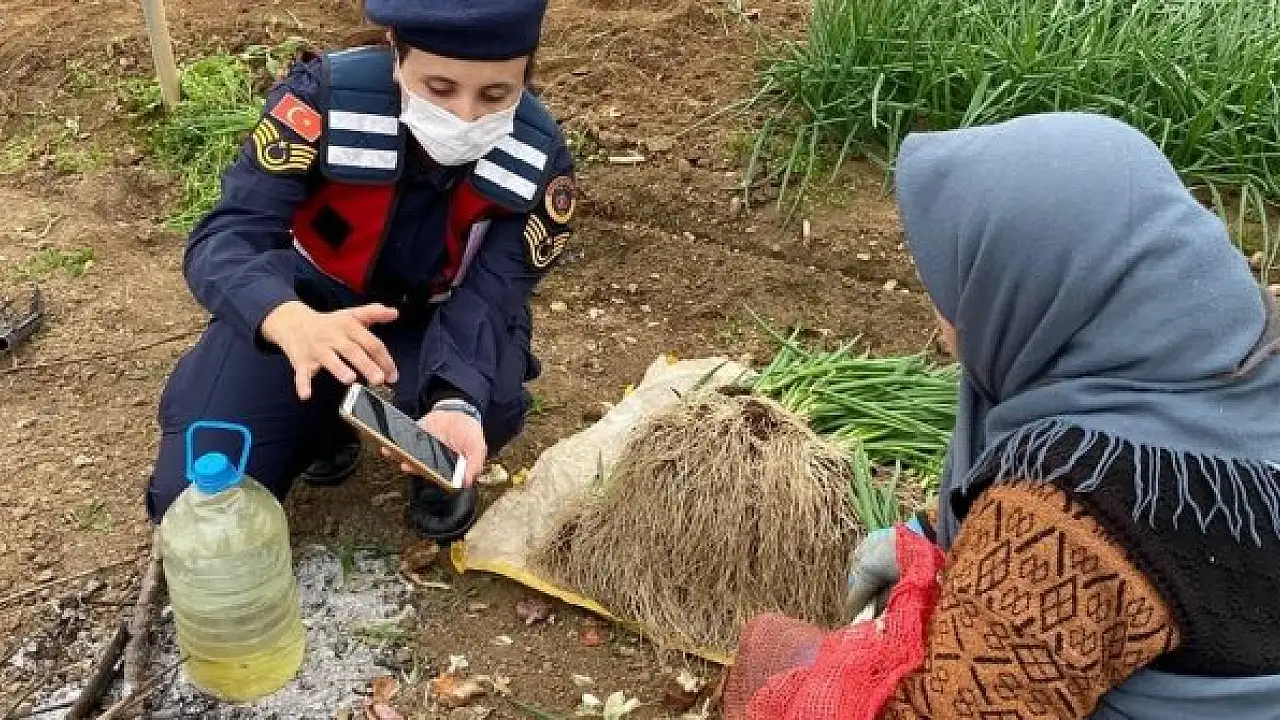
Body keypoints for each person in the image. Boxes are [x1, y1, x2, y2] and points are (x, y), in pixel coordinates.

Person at [728, 112, 1280, 719]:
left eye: (957, 285)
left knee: (773, 659)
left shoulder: (1058, 525)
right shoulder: (1248, 356)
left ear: (1032, 290)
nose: (940, 309)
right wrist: (934, 531)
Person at [146, 0, 576, 544]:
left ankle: (435, 456)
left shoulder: (538, 157)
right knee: (191, 496)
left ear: (524, 79)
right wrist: (286, 319)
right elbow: (228, 235)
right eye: (440, 88)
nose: (465, 115)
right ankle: (319, 428)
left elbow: (492, 296)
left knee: (487, 405)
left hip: (439, 316)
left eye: (495, 96)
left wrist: (457, 399)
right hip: (311, 303)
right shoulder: (320, 101)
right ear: (397, 52)